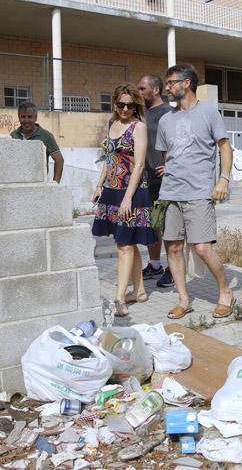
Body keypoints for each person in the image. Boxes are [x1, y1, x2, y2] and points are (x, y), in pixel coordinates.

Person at [156, 64, 235, 320]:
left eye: (171, 83)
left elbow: (224, 146)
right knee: (174, 248)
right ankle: (184, 299)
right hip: (170, 193)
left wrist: (223, 179)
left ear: (186, 83)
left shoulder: (209, 112)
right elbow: (167, 155)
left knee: (201, 247)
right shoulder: (166, 120)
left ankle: (225, 292)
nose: (167, 87)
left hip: (199, 191)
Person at [91, 83, 157, 317]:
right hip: (112, 189)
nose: (126, 109)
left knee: (124, 245)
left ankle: (120, 297)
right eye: (121, 104)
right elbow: (108, 158)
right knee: (128, 242)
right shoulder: (112, 124)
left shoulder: (138, 127)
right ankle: (139, 291)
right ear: (115, 103)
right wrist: (100, 184)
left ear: (135, 105)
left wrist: (128, 197)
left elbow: (139, 165)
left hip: (132, 191)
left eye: (130, 105)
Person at [136, 74, 172, 286]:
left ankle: (172, 269)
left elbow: (180, 142)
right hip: (145, 179)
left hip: (165, 181)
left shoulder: (169, 112)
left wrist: (170, 166)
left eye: (142, 89)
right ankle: (155, 265)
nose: (139, 92)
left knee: (169, 226)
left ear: (155, 90)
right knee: (152, 224)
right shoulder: (141, 114)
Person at [10, 102, 64, 183]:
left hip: (39, 185)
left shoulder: (46, 136)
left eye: (30, 117)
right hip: (17, 184)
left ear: (36, 118)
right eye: (23, 117)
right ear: (19, 118)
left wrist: (55, 183)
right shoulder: (13, 136)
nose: (26, 120)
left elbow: (59, 160)